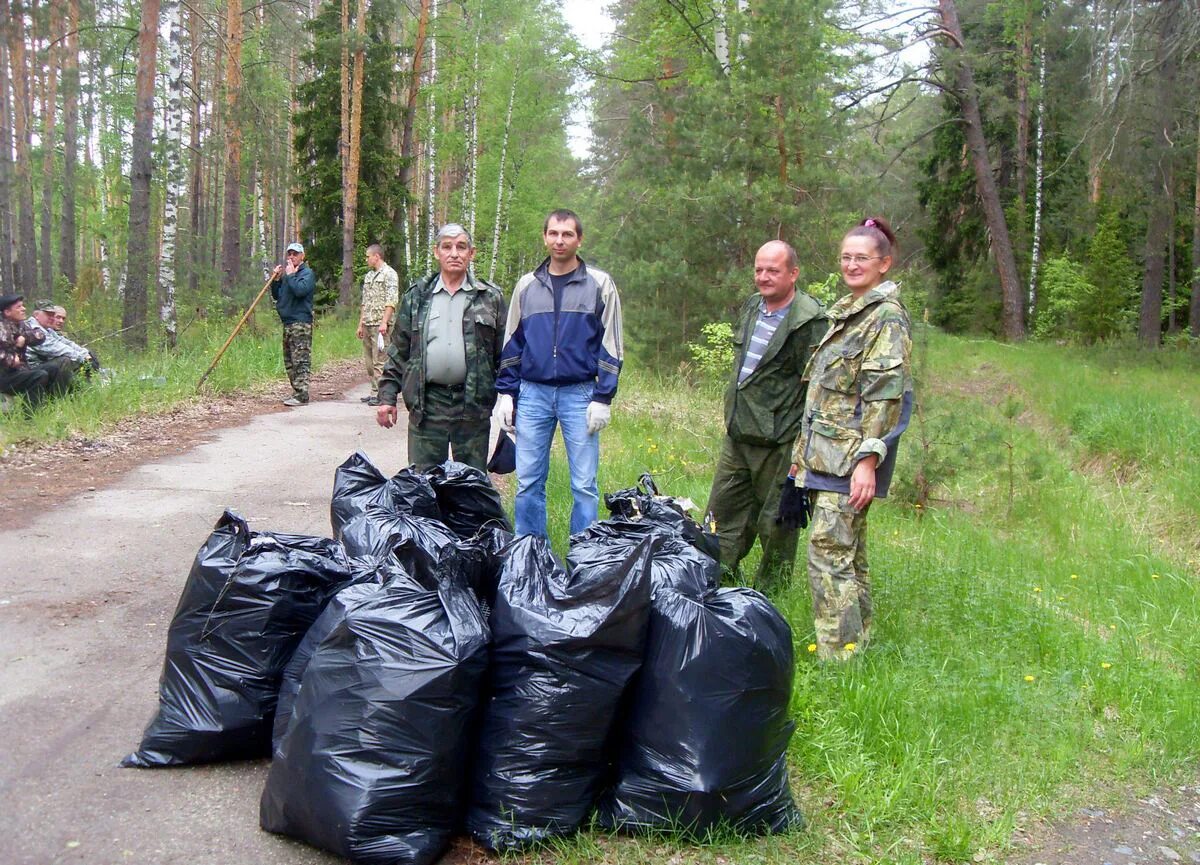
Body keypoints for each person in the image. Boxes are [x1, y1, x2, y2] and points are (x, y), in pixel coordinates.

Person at [791, 216, 913, 660]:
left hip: (850, 462)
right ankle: (860, 645)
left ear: (884, 263)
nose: (851, 264)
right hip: (827, 455)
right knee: (849, 554)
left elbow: (886, 396)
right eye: (846, 257)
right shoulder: (850, 312)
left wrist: (868, 461)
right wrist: (799, 458)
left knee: (828, 553)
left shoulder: (885, 318)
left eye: (862, 257)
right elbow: (827, 396)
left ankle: (839, 661)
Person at [493, 208, 623, 537]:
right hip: (532, 393)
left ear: (579, 239)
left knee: (584, 485)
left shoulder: (600, 285)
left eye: (567, 234)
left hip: (579, 395)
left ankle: (583, 560)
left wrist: (603, 396)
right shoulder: (526, 286)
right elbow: (513, 341)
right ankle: (531, 557)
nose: (559, 240)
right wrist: (506, 393)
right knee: (528, 483)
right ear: (545, 237)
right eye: (553, 233)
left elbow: (612, 343)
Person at [705, 240, 826, 593]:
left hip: (781, 442)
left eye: (773, 270)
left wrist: (804, 453)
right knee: (719, 516)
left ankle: (770, 599)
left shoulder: (809, 320)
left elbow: (817, 390)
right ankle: (715, 586)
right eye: (759, 269)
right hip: (739, 433)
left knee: (777, 524)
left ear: (793, 273)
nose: (763, 277)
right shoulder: (753, 307)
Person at [376, 223, 506, 471]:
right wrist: (386, 397)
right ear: (437, 252)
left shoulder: (490, 298)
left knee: (471, 488)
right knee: (422, 484)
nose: (454, 253)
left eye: (461, 247)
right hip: (427, 407)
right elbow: (399, 351)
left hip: (473, 408)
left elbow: (504, 356)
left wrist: (511, 401)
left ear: (472, 253)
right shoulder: (418, 296)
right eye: (447, 247)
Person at [270, 242, 315, 406]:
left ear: (302, 256)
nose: (291, 257)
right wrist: (276, 280)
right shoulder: (288, 276)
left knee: (300, 360)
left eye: (295, 254)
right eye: (289, 254)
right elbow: (278, 296)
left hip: (301, 323)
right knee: (289, 360)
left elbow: (300, 291)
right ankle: (296, 391)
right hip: (287, 323)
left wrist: (290, 276)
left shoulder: (307, 274)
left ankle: (302, 394)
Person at [357, 243, 399, 406]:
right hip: (368, 322)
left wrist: (384, 322)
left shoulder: (389, 274)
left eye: (368, 257)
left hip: (381, 325)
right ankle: (374, 389)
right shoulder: (369, 276)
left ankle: (381, 393)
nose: (367, 260)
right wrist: (360, 324)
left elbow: (391, 300)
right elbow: (364, 302)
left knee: (380, 360)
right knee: (369, 362)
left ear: (377, 256)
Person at [0, 294, 53, 409]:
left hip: (19, 371)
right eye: (19, 307)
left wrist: (24, 338)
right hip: (4, 376)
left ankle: (51, 404)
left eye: (23, 306)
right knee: (39, 375)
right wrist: (10, 359)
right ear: (7, 312)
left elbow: (40, 336)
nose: (23, 309)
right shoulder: (1, 328)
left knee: (53, 368)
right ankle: (30, 415)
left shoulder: (20, 325)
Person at [27, 302, 99, 385]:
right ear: (36, 315)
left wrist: (86, 353)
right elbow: (55, 348)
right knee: (64, 361)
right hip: (30, 369)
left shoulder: (47, 329)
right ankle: (59, 395)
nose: (51, 318)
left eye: (52, 314)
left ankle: (84, 389)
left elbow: (64, 342)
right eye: (48, 314)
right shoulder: (32, 329)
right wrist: (82, 357)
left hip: (42, 365)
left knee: (86, 355)